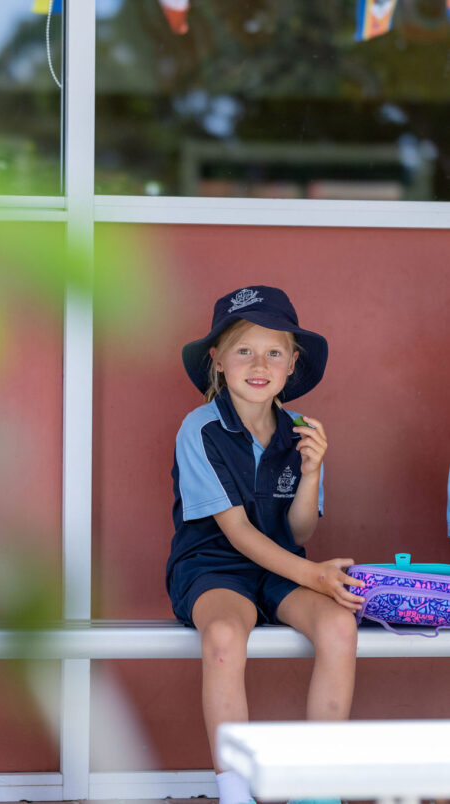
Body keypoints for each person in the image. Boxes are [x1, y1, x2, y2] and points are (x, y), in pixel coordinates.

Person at [166, 286, 366, 804]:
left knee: (340, 625)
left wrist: (311, 471)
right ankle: (235, 790)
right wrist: (317, 576)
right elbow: (236, 532)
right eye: (244, 350)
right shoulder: (201, 429)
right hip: (212, 568)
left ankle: (320, 788)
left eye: (274, 352)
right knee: (224, 636)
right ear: (218, 361)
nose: (260, 365)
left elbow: (299, 534)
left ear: (292, 363)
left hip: (282, 569)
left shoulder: (299, 432)